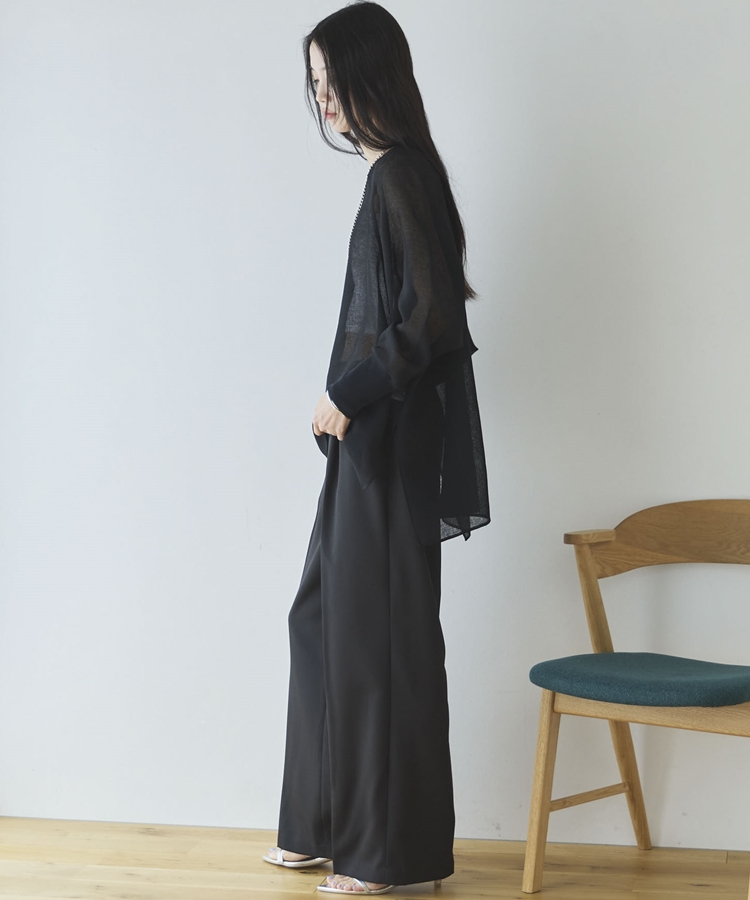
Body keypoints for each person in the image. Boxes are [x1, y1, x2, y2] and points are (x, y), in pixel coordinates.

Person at [263, 2, 489, 894]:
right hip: (369, 447)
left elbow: (432, 320)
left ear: (373, 78)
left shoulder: (398, 175)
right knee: (323, 621)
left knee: (380, 646)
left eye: (333, 81)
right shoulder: (395, 175)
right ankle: (325, 824)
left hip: (386, 445)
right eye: (315, 83)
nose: (323, 100)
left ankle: (393, 860)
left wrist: (345, 394)